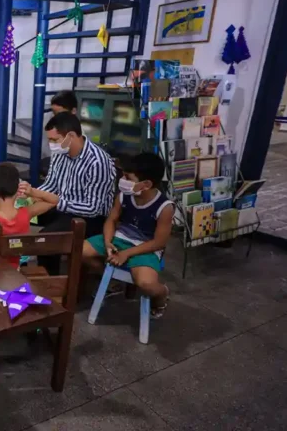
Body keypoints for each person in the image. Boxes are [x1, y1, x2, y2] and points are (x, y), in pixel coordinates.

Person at [19, 112, 116, 274]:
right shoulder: (60, 153)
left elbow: (93, 208)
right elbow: (51, 184)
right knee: (16, 214)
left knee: (46, 239)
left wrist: (56, 201)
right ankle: (17, 263)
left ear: (70, 136)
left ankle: (51, 284)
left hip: (89, 217)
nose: (51, 145)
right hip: (62, 206)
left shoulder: (97, 162)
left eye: (54, 140)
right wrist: (30, 195)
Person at [82, 153, 173, 317]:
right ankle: (113, 281)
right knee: (80, 251)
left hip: (146, 248)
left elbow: (159, 242)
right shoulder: (123, 195)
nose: (122, 180)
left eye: (128, 177)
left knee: (146, 284)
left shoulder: (165, 207)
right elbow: (111, 220)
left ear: (146, 184)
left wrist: (126, 254)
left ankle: (162, 295)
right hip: (119, 239)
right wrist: (108, 242)